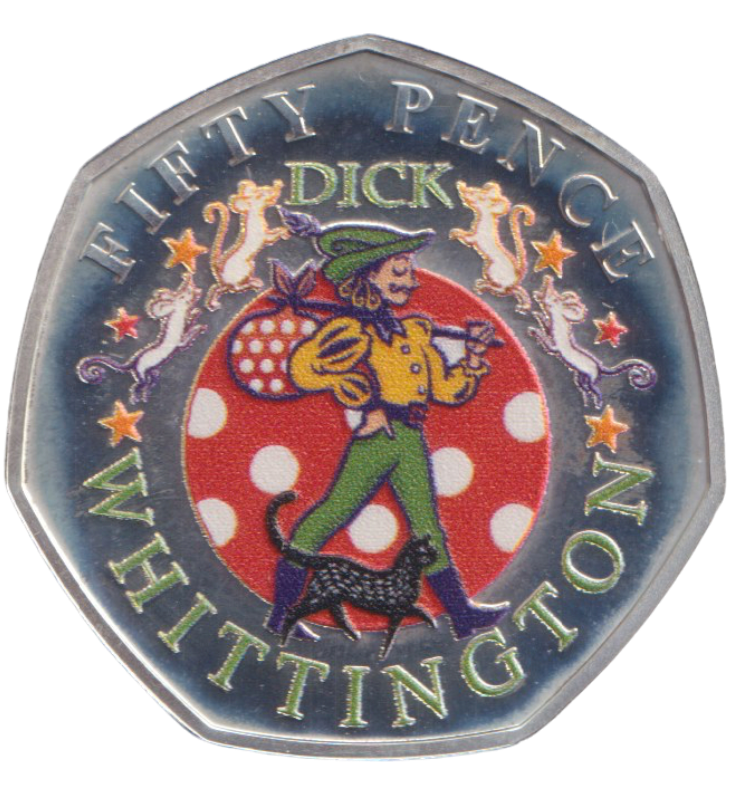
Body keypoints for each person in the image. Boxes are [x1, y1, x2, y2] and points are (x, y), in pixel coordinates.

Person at [266, 221, 509, 641]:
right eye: (399, 271)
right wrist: (362, 400)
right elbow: (303, 369)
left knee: (428, 528)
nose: (411, 281)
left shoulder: (413, 333)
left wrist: (472, 357)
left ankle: (461, 615)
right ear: (368, 275)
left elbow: (447, 391)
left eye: (409, 271)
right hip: (378, 438)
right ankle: (282, 612)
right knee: (328, 517)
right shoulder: (352, 329)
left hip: (411, 437)